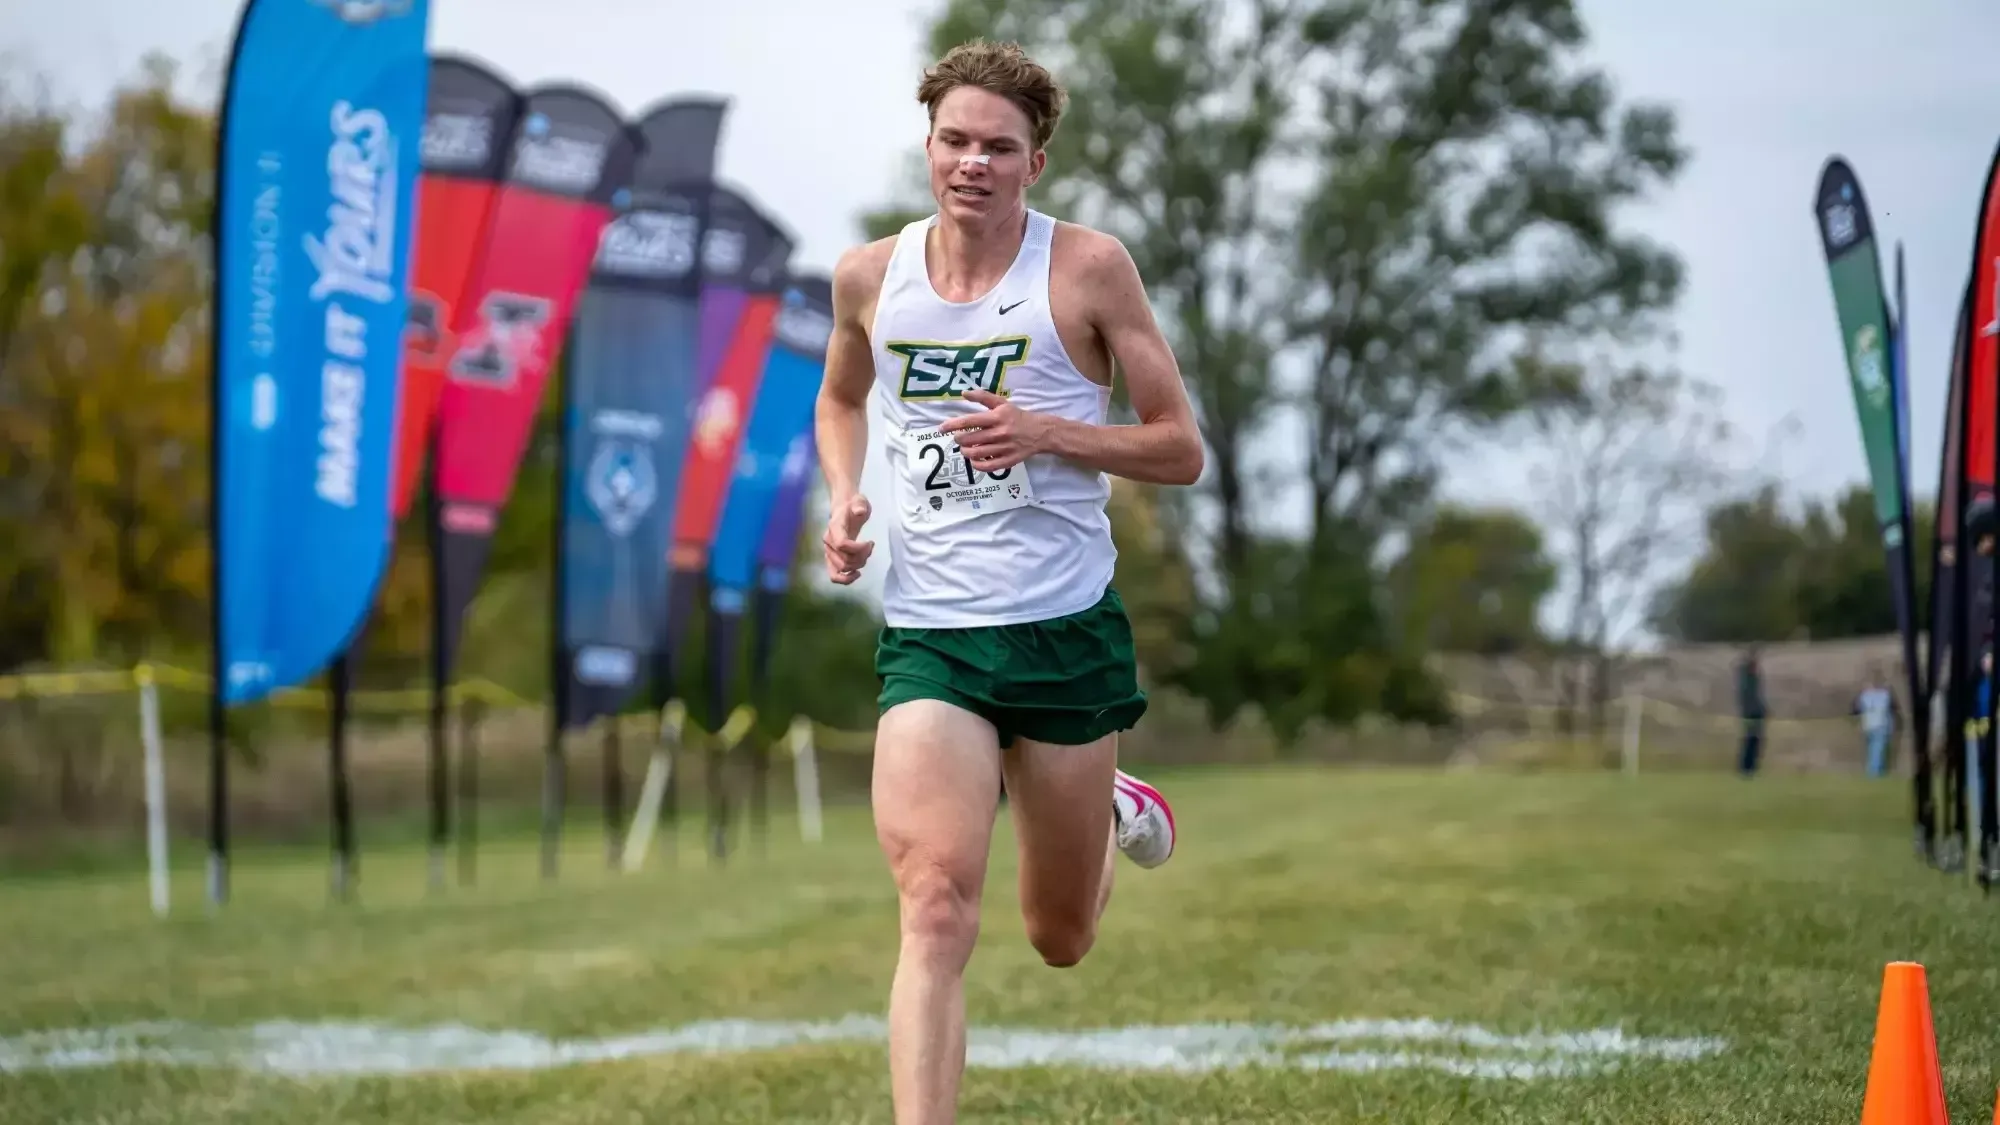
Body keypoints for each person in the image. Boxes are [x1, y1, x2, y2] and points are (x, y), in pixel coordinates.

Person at [813, 39, 1203, 1124]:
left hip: (1064, 634)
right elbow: (840, 399)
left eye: (998, 147)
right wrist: (845, 497)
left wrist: (1048, 431)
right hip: (933, 637)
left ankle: (1108, 794)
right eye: (952, 141)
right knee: (934, 909)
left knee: (1059, 938)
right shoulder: (867, 278)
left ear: (1035, 163)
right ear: (926, 143)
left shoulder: (1085, 270)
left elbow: (1179, 449)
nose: (970, 163)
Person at [1852, 671, 1898, 778]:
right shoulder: (1885, 695)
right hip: (1881, 724)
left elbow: (1856, 709)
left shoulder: (1864, 695)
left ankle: (1880, 771)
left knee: (1873, 748)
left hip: (1868, 725)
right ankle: (1873, 773)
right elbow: (1893, 707)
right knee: (1877, 749)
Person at [1737, 645, 1765, 775]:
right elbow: (1748, 696)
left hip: (1756, 712)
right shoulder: (1746, 678)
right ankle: (1746, 767)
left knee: (1756, 740)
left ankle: (1751, 767)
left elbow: (1757, 695)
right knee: (1750, 739)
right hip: (1750, 713)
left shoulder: (1754, 677)